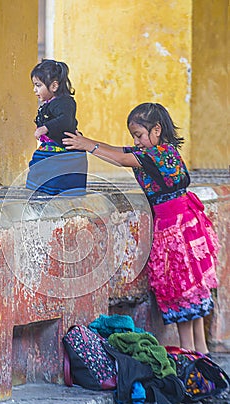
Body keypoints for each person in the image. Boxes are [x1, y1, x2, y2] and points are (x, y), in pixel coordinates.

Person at [63, 102, 219, 355]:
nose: (136, 141)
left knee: (181, 291)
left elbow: (124, 158)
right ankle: (201, 354)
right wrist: (88, 142)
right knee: (193, 291)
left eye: (139, 135)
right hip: (185, 224)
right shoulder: (164, 151)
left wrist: (88, 147)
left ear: (156, 130)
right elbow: (120, 151)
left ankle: (190, 352)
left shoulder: (155, 156)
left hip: (175, 229)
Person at [26, 59, 87, 195]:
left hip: (63, 151)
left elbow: (65, 120)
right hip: (52, 149)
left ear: (54, 86)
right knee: (39, 171)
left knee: (57, 180)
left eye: (38, 85)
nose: (34, 90)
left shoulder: (65, 102)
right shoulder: (50, 103)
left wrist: (45, 128)